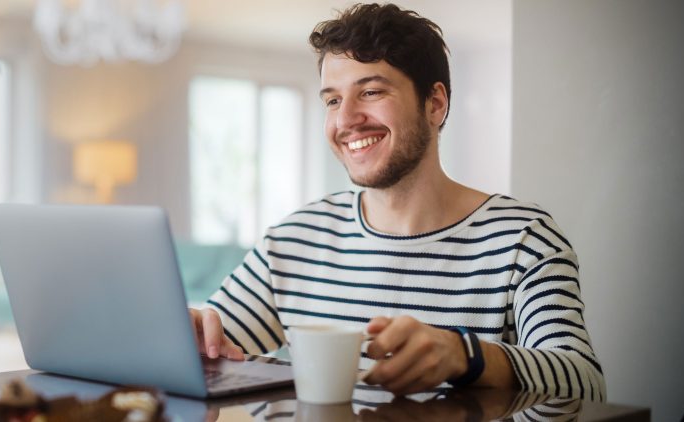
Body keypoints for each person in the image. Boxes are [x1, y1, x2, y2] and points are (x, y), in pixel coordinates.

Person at [189, 3, 606, 400]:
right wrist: (190, 334)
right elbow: (211, 347)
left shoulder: (524, 240)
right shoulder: (294, 240)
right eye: (332, 100)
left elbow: (584, 384)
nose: (345, 119)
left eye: (371, 91)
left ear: (435, 104)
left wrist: (465, 356)